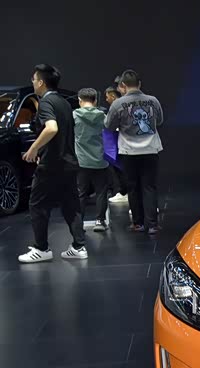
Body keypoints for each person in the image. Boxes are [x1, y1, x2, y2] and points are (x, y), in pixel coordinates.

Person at [18, 64, 87, 263]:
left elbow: (51, 128)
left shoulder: (46, 102)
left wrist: (34, 148)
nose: (32, 82)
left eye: (34, 79)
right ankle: (79, 247)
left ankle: (41, 248)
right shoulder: (64, 103)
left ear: (41, 82)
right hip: (69, 162)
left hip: (51, 164)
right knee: (71, 206)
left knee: (37, 205)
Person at [105, 69, 164, 235]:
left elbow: (109, 126)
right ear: (140, 84)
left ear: (123, 85)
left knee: (133, 187)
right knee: (150, 187)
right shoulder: (153, 100)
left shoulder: (118, 104)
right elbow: (159, 121)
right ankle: (153, 224)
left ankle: (138, 223)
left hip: (128, 151)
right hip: (151, 149)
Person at [73, 88, 110, 232]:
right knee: (101, 192)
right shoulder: (103, 116)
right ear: (95, 100)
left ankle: (78, 223)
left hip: (81, 160)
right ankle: (100, 221)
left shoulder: (74, 115)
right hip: (100, 159)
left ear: (79, 100)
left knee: (81, 193)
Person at [103, 86, 127, 203]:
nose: (106, 99)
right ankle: (123, 192)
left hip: (120, 142)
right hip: (122, 142)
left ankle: (124, 192)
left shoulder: (117, 106)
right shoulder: (124, 105)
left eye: (107, 97)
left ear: (112, 96)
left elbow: (110, 125)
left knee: (121, 169)